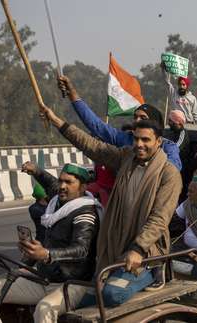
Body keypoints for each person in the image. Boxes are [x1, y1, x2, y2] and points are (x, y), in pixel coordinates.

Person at [40, 105, 182, 307]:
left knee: (111, 294)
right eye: (136, 139)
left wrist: (138, 249)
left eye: (146, 140)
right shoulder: (126, 158)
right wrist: (57, 121)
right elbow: (93, 146)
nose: (139, 144)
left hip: (147, 255)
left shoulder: (169, 174)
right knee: (84, 299)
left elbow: (159, 218)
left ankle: (155, 274)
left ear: (158, 142)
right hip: (116, 247)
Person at [0, 163, 101, 323]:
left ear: (83, 187)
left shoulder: (86, 212)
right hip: (45, 278)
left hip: (73, 284)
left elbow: (81, 249)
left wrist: (46, 254)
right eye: (61, 181)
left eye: (68, 182)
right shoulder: (57, 202)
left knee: (44, 309)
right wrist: (36, 170)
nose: (62, 186)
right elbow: (49, 183)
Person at [57, 76, 182, 171]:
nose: (137, 121)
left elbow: (172, 171)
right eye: (135, 117)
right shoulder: (125, 139)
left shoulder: (169, 147)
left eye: (143, 118)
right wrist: (72, 93)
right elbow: (96, 125)